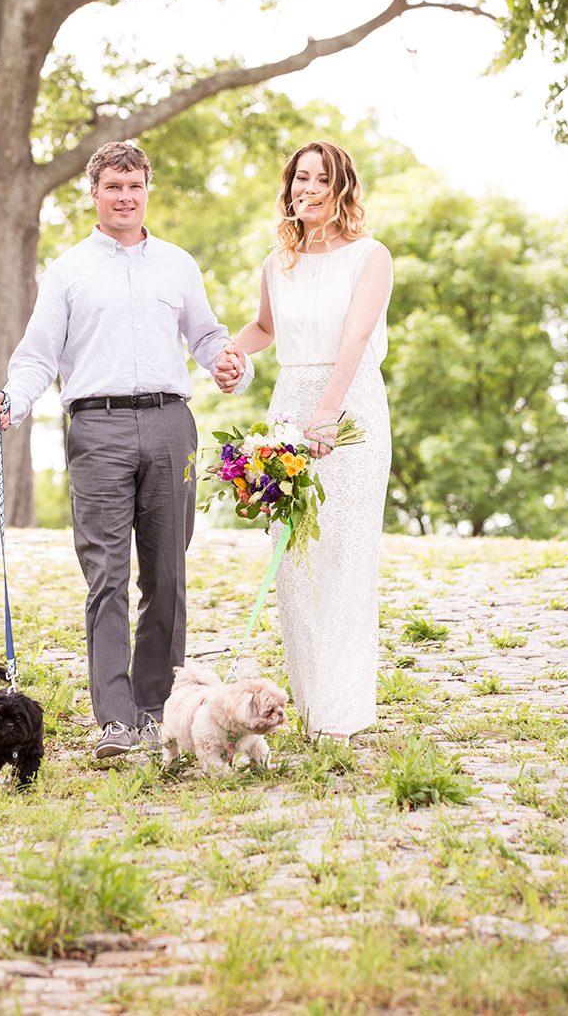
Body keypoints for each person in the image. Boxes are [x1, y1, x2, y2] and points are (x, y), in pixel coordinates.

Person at [0, 142, 250, 760]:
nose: (125, 197)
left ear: (146, 189)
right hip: (97, 429)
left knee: (167, 574)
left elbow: (207, 335)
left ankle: (161, 709)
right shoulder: (69, 271)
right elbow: (38, 355)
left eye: (135, 186)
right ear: (95, 194)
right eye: (113, 187)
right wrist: (11, 400)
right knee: (107, 575)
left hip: (169, 424)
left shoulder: (179, 265)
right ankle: (116, 719)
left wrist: (225, 363)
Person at [230, 139, 393, 740]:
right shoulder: (279, 264)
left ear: (341, 187)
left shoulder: (370, 257)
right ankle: (308, 706)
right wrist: (229, 350)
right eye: (301, 179)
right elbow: (266, 328)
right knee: (294, 563)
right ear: (289, 186)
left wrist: (328, 412)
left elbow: (354, 339)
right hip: (289, 410)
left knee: (346, 557)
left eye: (322, 179)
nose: (310, 190)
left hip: (350, 409)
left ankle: (342, 713)